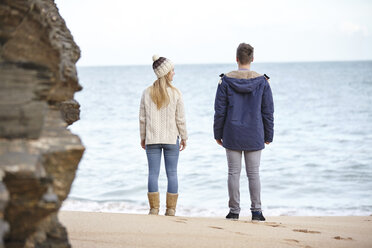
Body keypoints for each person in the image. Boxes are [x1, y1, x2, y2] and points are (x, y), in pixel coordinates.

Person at [213, 43, 274, 221]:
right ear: (252, 59)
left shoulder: (225, 81)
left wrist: (218, 134)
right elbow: (268, 111)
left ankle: (234, 212)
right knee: (253, 173)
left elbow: (219, 111)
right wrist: (269, 135)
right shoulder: (262, 81)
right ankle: (257, 212)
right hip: (255, 132)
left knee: (233, 172)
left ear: (237, 59)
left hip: (231, 132)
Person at [139, 55, 188, 216]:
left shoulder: (147, 92)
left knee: (153, 173)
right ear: (166, 73)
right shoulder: (176, 93)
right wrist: (184, 137)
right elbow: (180, 119)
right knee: (172, 173)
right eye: (172, 70)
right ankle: (171, 210)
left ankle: (153, 209)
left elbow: (142, 119)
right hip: (170, 140)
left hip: (152, 139)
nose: (174, 73)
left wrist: (143, 137)